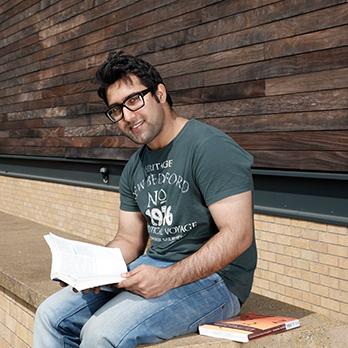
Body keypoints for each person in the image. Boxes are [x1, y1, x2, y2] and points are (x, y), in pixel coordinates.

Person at [33, 51, 257, 348]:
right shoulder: (135, 167)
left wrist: (167, 278)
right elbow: (128, 240)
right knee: (50, 316)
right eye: (116, 110)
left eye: (134, 100)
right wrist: (91, 271)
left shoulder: (210, 148)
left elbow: (238, 235)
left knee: (101, 335)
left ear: (160, 93)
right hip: (152, 265)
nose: (127, 116)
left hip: (217, 281)